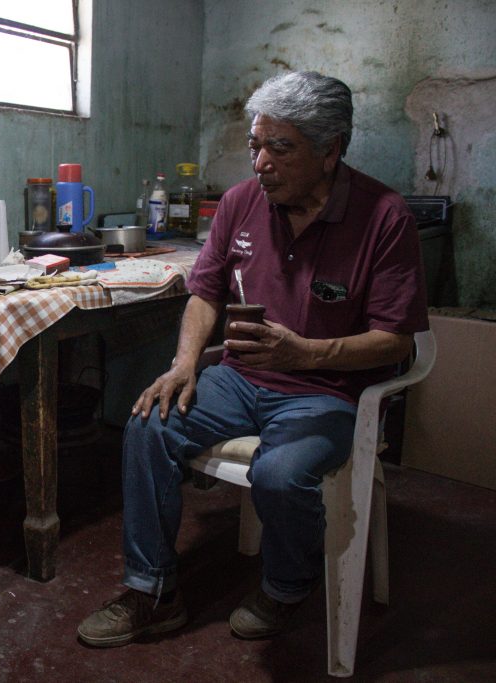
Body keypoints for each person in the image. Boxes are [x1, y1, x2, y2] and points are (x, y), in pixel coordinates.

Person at [77, 71, 429, 647]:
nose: (260, 162)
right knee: (148, 423)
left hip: (329, 392)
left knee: (280, 474)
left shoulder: (385, 218)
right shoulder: (242, 202)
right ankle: (153, 592)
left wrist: (306, 353)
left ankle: (287, 585)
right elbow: (205, 291)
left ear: (330, 150)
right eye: (255, 145)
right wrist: (185, 363)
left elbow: (394, 341)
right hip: (240, 380)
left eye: (279, 148)